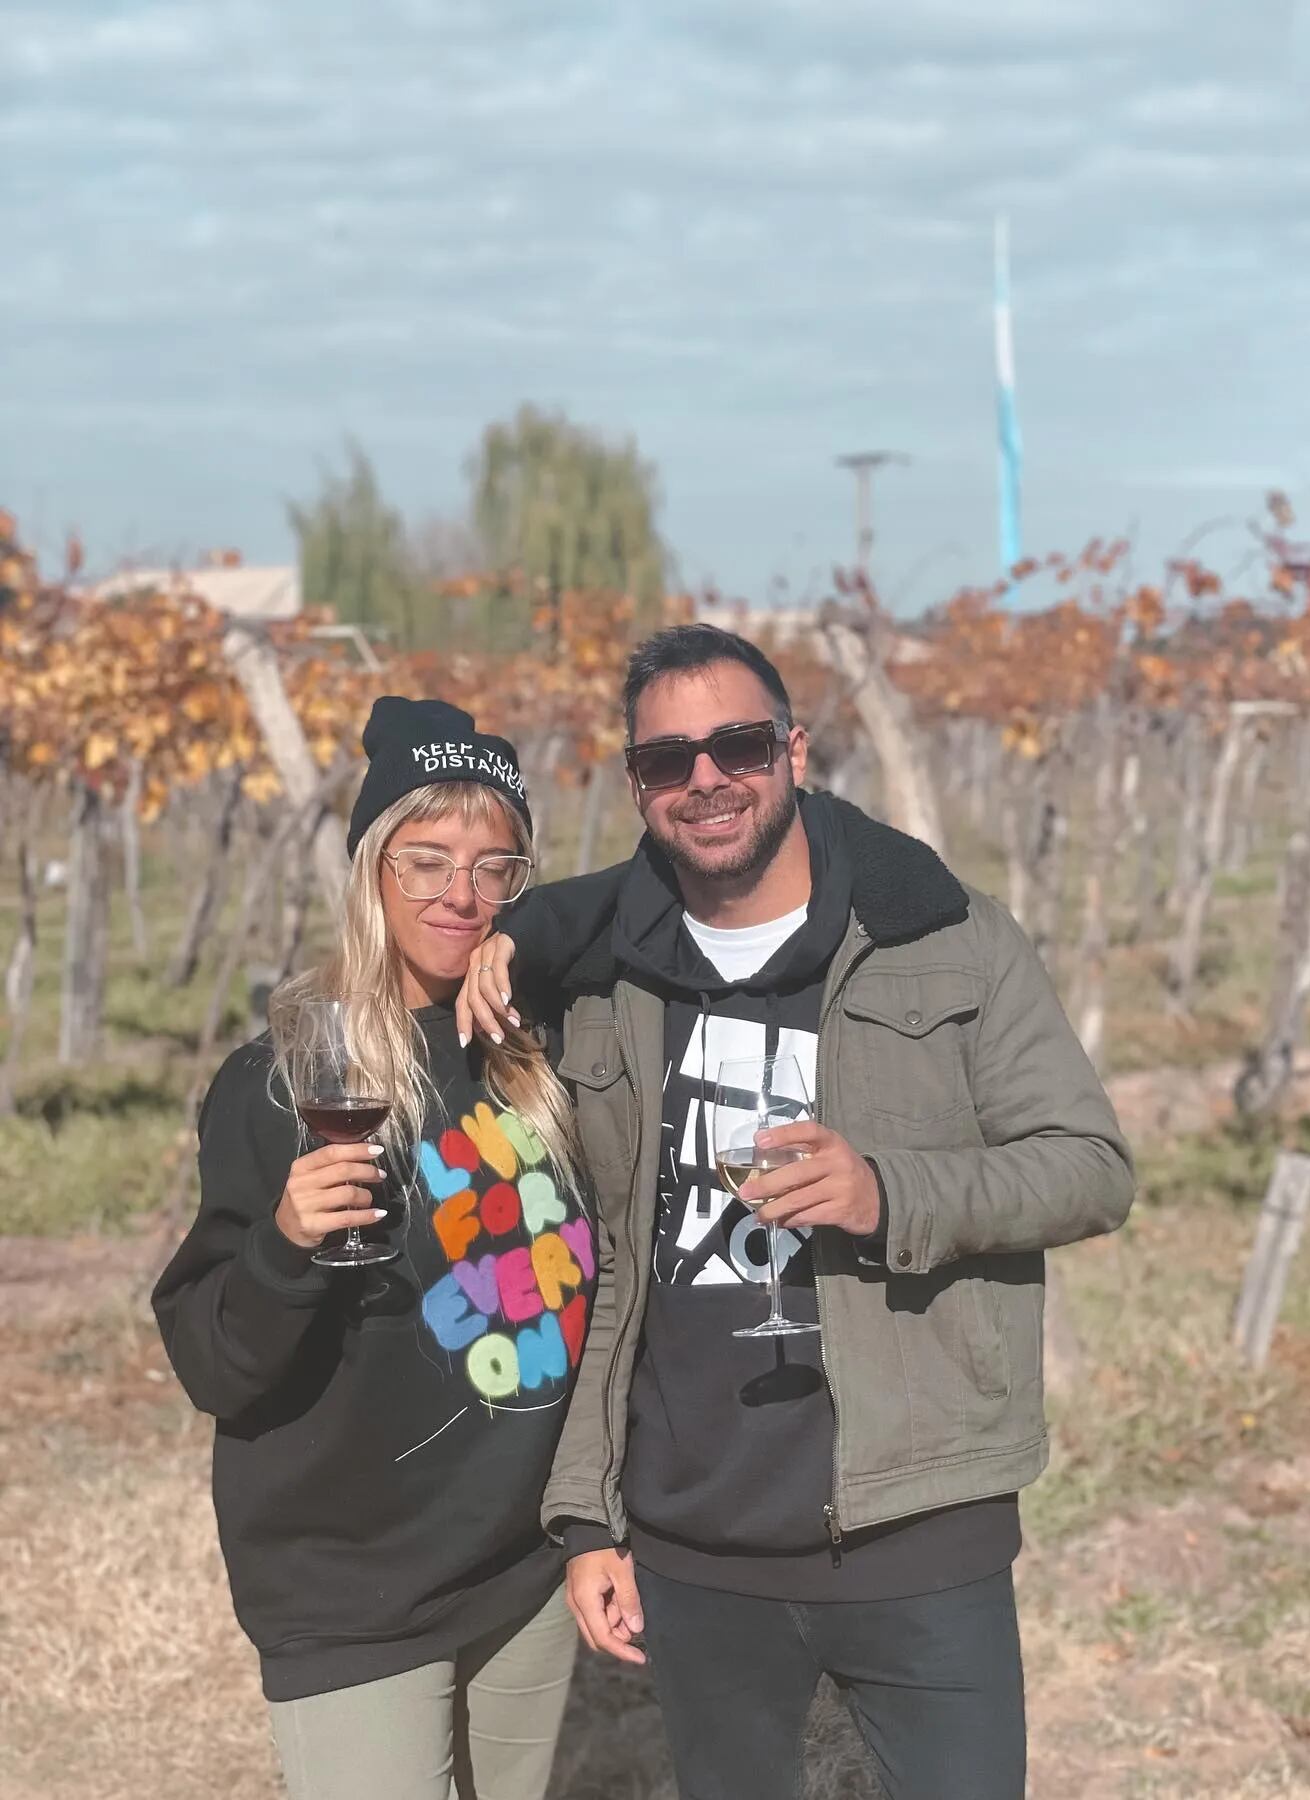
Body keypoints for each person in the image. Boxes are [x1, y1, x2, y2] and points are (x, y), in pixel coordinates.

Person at [458, 625, 1136, 1800]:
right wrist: (586, 1518)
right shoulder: (607, 980)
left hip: (915, 1525)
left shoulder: (944, 940)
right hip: (693, 1542)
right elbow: (610, 1261)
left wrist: (888, 1191)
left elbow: (1090, 1166)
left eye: (738, 744)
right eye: (669, 761)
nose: (707, 779)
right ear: (637, 788)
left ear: (796, 750)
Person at [153, 697, 596, 1800]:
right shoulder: (284, 1082)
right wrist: (286, 1242)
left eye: (498, 868)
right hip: (353, 1590)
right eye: (426, 862)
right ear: (368, 871)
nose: (461, 894)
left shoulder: (538, 1058)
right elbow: (218, 1366)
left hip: (523, 1568)